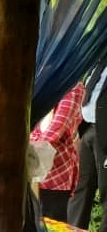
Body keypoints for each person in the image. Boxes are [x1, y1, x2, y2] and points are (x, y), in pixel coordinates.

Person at [30, 82, 85, 222]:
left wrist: (26, 151)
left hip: (55, 173)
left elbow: (56, 129)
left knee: (51, 229)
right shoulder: (42, 81)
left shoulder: (73, 87)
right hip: (29, 169)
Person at [68, 61, 107, 232]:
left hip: (105, 133)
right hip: (88, 130)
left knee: (106, 191)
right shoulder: (97, 63)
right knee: (81, 188)